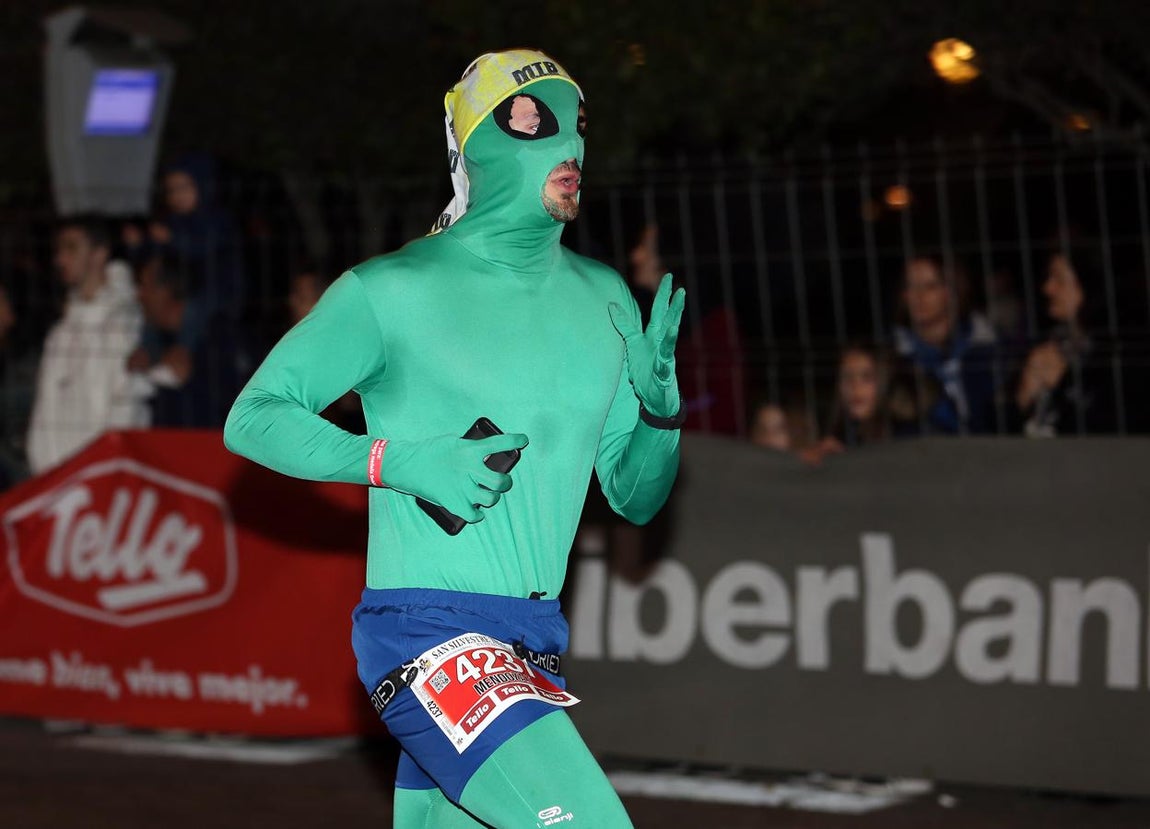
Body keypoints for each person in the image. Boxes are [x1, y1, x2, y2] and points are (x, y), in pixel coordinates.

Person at [224, 49, 685, 828]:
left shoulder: (605, 298)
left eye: (578, 123)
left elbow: (635, 499)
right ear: (479, 146)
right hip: (428, 635)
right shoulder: (393, 289)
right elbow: (254, 415)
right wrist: (391, 461)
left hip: (531, 646)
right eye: (535, 123)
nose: (569, 147)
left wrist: (661, 416)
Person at [25, 215, 147, 474]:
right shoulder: (60, 332)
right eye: (59, 249)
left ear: (99, 253)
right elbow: (43, 416)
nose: (60, 259)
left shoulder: (126, 323)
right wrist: (44, 476)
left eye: (71, 248)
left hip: (105, 483)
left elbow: (130, 412)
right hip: (58, 487)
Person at [890, 254, 1000, 435]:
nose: (918, 296)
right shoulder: (892, 356)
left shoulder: (988, 349)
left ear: (952, 291)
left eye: (930, 286)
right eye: (911, 286)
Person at [1012, 248, 1117, 435]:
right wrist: (1023, 397)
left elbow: (1110, 422)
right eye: (1049, 278)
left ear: (1086, 285)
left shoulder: (1110, 350)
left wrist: (1062, 381)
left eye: (1059, 279)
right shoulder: (1050, 341)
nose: (1048, 288)